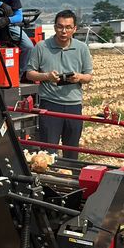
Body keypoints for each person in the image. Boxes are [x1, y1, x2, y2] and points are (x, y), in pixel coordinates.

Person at [25, 9, 93, 160]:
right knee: (48, 152)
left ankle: (71, 177)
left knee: (71, 150)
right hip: (50, 105)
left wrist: (79, 77)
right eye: (60, 26)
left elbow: (89, 76)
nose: (64, 31)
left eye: (68, 27)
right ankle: (49, 180)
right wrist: (47, 76)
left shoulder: (82, 48)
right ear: (55, 27)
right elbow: (29, 73)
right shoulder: (42, 47)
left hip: (74, 105)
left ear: (75, 29)